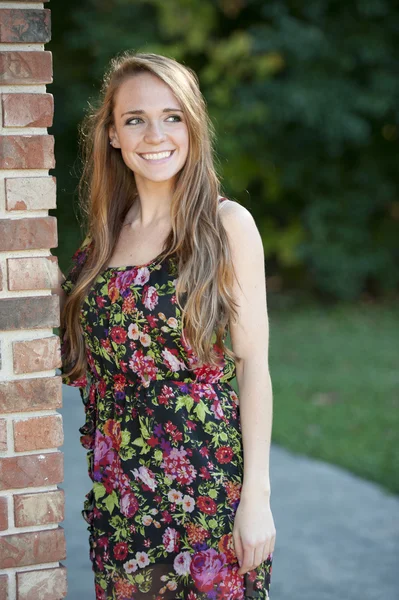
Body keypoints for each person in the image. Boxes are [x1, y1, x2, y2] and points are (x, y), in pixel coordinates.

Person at [55, 50, 275, 599]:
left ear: (193, 126)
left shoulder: (226, 225)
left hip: (206, 497)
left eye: (172, 116)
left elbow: (253, 367)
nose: (156, 134)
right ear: (112, 135)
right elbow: (71, 355)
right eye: (136, 119)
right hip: (119, 501)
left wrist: (257, 499)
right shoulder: (102, 242)